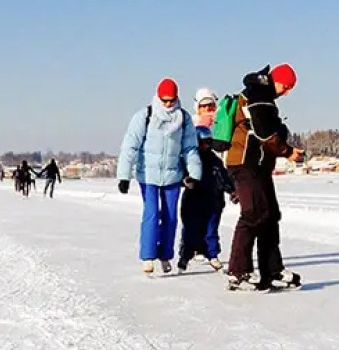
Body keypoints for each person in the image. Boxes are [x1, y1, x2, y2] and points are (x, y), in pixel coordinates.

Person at [223, 63, 303, 291]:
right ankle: (238, 273)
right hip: (245, 163)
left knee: (269, 215)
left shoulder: (262, 95)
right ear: (276, 81)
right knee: (252, 215)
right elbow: (264, 132)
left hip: (257, 165)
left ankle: (272, 270)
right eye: (286, 87)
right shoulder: (259, 96)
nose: (286, 92)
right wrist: (288, 152)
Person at [117, 78, 204, 275]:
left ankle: (165, 255)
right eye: (164, 100)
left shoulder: (184, 118)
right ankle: (148, 257)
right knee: (151, 214)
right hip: (148, 175)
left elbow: (190, 148)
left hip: (172, 175)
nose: (167, 104)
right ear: (158, 96)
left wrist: (195, 174)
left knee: (170, 217)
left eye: (171, 100)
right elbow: (130, 146)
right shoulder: (145, 116)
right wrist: (124, 176)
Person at [178, 88, 236, 272]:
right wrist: (184, 181)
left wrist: (231, 189)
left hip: (213, 199)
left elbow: (222, 175)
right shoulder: (190, 154)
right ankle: (185, 255)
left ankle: (212, 254)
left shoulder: (215, 156)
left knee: (211, 229)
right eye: (204, 106)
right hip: (194, 199)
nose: (208, 109)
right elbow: (181, 171)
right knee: (191, 229)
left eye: (210, 105)